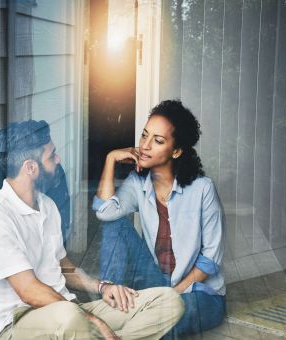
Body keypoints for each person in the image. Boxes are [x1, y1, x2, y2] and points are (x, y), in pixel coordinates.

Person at [0, 119, 184, 340]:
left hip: (68, 309)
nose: (58, 159)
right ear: (31, 168)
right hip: (18, 325)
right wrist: (94, 320)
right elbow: (29, 291)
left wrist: (102, 287)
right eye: (52, 156)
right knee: (71, 317)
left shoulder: (46, 205)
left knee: (168, 302)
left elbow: (64, 268)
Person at [93, 100, 226, 337]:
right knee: (115, 224)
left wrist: (172, 294)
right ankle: (111, 297)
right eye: (144, 136)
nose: (144, 146)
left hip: (198, 294)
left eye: (158, 140)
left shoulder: (202, 189)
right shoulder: (138, 184)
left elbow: (210, 259)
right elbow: (105, 212)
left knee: (165, 321)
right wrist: (111, 159)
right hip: (156, 282)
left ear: (176, 151)